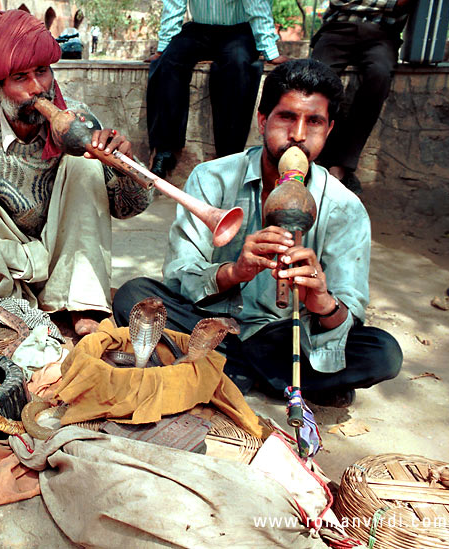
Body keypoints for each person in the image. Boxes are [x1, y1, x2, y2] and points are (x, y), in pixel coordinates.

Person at [113, 59, 402, 408]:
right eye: (286, 117)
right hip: (216, 327)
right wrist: (234, 272)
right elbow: (179, 275)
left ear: (329, 130)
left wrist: (322, 301)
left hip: (289, 336)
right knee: (134, 295)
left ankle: (233, 372)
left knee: (384, 353)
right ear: (263, 120)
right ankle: (286, 380)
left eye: (314, 122)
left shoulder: (345, 207)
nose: (298, 134)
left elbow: (349, 313)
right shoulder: (212, 178)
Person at [0, 9, 153, 337]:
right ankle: (15, 308)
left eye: (43, 71)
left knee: (82, 162)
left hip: (69, 257)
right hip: (15, 265)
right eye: (21, 78)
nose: (39, 88)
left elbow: (127, 208)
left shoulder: (78, 119)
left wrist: (123, 168)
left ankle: (83, 303)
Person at [145, 0, 290, 178]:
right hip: (199, 29)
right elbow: (174, 6)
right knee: (168, 63)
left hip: (238, 31)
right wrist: (163, 48)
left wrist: (270, 51)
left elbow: (257, 6)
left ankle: (228, 155)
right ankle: (165, 150)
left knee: (238, 65)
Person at [311, 0, 418, 195]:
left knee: (380, 75)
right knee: (315, 79)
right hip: (338, 28)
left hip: (382, 34)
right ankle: (321, 159)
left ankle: (342, 166)